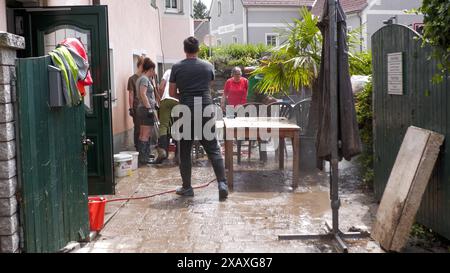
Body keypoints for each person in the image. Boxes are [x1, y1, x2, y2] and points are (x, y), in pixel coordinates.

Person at [169, 36, 228, 200]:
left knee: (185, 151)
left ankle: (187, 188)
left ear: (184, 49)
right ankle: (222, 184)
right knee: (213, 148)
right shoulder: (208, 66)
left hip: (186, 108)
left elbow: (172, 93)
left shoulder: (176, 67)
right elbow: (208, 88)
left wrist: (185, 95)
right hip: (205, 108)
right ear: (198, 49)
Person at [153, 69, 179, 164]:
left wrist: (160, 100)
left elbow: (161, 87)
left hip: (166, 100)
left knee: (164, 126)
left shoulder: (168, 71)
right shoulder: (182, 72)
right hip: (178, 100)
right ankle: (178, 154)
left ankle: (163, 151)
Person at [136, 58, 157, 165]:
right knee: (146, 134)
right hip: (145, 109)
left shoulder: (141, 78)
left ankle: (144, 155)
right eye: (154, 70)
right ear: (151, 69)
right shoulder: (144, 79)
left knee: (142, 134)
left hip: (142, 109)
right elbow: (143, 94)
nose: (154, 72)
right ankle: (144, 158)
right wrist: (149, 108)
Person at [127, 56, 144, 151]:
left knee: (145, 127)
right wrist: (131, 108)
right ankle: (137, 147)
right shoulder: (132, 79)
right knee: (138, 127)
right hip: (137, 107)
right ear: (140, 66)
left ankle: (144, 148)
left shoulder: (146, 78)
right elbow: (131, 94)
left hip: (146, 107)